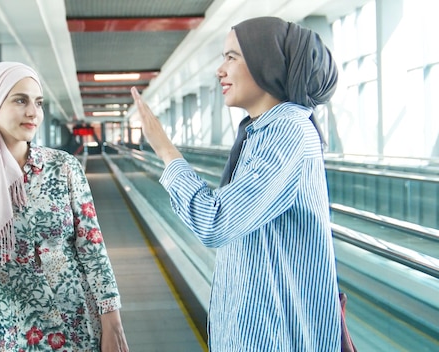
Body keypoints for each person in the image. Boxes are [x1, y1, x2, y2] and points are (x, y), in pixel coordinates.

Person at [130, 16, 341, 351]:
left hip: (272, 337)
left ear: (265, 62)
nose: (220, 70)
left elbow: (215, 222)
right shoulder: (260, 134)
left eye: (232, 57)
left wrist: (164, 148)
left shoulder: (287, 131)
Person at [0, 61, 129, 352]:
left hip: (78, 318)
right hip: (15, 327)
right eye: (20, 100)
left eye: (38, 103)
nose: (33, 113)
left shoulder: (63, 166)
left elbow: (92, 247)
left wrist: (112, 322)